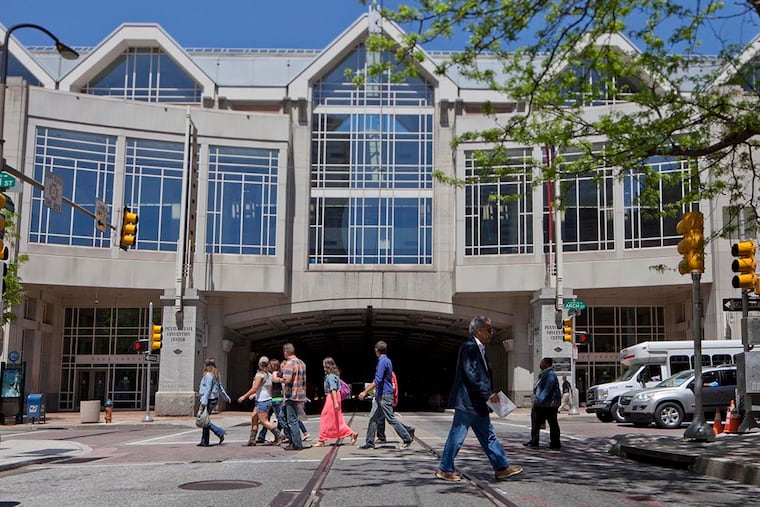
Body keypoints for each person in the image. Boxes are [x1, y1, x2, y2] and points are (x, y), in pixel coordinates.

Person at [436, 315, 523, 482]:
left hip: (477, 402)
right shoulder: (469, 347)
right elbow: (471, 373)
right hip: (468, 401)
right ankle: (445, 469)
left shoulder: (480, 348)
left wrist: (487, 394)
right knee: (457, 435)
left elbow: (480, 374)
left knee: (488, 435)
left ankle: (501, 468)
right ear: (479, 330)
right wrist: (487, 393)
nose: (492, 333)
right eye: (489, 330)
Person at [357, 340, 414, 450]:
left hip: (384, 395)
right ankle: (369, 442)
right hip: (380, 395)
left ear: (376, 350)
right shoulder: (386, 360)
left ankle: (407, 438)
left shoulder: (383, 362)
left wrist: (364, 392)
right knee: (373, 418)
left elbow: (377, 380)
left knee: (390, 418)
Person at [257, 359, 311, 444]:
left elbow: (273, 382)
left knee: (282, 419)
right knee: (274, 418)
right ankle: (264, 436)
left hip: (275, 399)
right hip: (277, 399)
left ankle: (287, 435)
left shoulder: (274, 375)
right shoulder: (281, 374)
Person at [238, 356, 282, 446]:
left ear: (259, 364)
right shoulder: (269, 375)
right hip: (265, 400)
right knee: (254, 417)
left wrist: (244, 396)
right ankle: (252, 439)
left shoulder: (260, 375)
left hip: (262, 400)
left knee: (264, 421)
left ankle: (279, 435)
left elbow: (255, 388)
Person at [314, 357, 358, 447]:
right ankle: (351, 433)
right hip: (336, 397)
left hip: (332, 397)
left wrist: (335, 403)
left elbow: (333, 389)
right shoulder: (336, 376)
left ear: (326, 366)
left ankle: (321, 440)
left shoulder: (330, 377)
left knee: (324, 417)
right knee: (337, 420)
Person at [525, 357, 562, 450]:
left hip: (547, 404)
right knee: (537, 422)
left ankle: (555, 443)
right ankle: (534, 440)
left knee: (551, 422)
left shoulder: (550, 375)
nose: (540, 364)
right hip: (545, 403)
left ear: (546, 364)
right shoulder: (544, 374)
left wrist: (539, 400)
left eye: (541, 362)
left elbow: (547, 389)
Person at [280, 342, 311, 450]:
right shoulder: (302, 363)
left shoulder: (290, 363)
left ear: (286, 352)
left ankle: (296, 444)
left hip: (292, 395)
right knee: (285, 417)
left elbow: (287, 379)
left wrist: (278, 379)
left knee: (291, 420)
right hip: (300, 395)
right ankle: (293, 441)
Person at [197, 358, 232, 447]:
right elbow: (220, 388)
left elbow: (208, 389)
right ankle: (204, 441)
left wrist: (203, 402)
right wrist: (225, 397)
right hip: (213, 399)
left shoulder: (208, 375)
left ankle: (219, 432)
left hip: (208, 399)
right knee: (205, 420)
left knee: (204, 420)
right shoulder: (215, 375)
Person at [376, 371, 414, 444]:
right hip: (387, 398)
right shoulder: (388, 373)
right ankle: (408, 430)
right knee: (387, 418)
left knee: (386, 418)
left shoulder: (389, 374)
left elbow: (392, 386)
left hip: (387, 398)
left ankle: (382, 437)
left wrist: (384, 393)